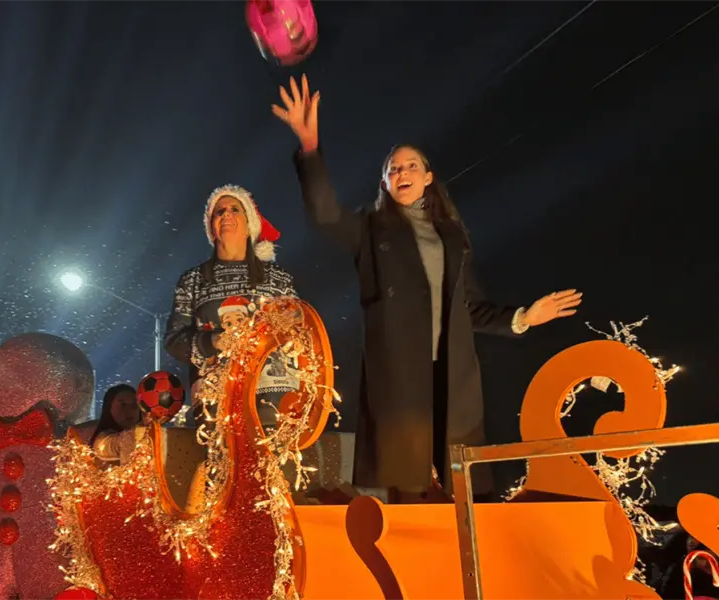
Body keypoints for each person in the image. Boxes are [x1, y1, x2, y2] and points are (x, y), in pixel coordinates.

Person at [271, 74, 583, 503]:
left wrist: (524, 317)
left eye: (411, 165)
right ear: (384, 183)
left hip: (453, 377)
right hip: (400, 378)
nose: (402, 172)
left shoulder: (452, 237)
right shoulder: (370, 229)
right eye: (393, 168)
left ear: (428, 177)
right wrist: (309, 147)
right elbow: (325, 214)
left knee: (466, 489)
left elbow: (469, 308)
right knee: (409, 492)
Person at [164, 185, 299, 428]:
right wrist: (213, 341)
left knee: (274, 465)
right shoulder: (193, 279)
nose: (226, 215)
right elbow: (174, 340)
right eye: (219, 212)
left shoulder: (278, 278)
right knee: (225, 465)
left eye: (235, 209)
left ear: (250, 224)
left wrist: (290, 327)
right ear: (211, 227)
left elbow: (298, 330)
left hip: (274, 401)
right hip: (216, 402)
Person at [90, 384, 143, 463]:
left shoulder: (145, 435)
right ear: (109, 408)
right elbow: (116, 444)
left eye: (134, 404)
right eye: (122, 404)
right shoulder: (102, 441)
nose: (130, 410)